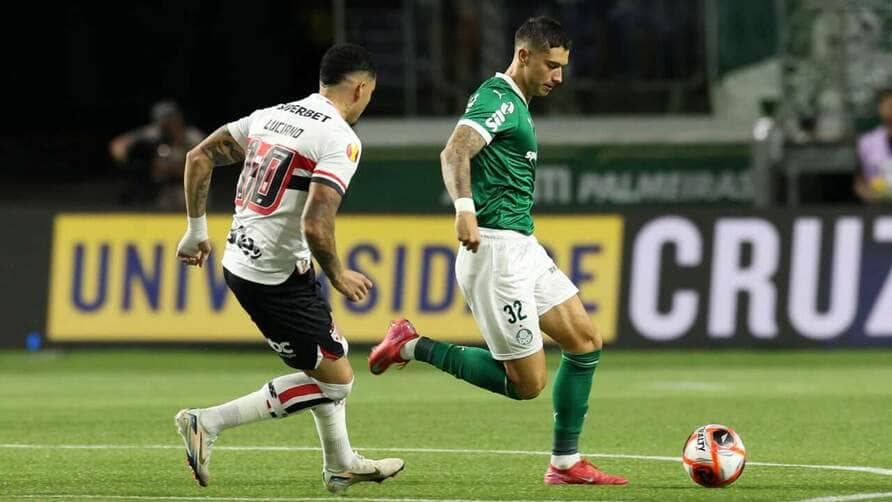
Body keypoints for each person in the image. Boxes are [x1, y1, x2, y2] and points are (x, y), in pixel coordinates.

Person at [369, 17, 628, 486]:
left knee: (585, 341)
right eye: (551, 65)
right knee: (526, 384)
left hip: (522, 245)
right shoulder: (498, 100)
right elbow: (454, 152)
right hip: (494, 252)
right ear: (524, 56)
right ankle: (411, 344)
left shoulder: (519, 104)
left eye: (563, 67)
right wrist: (464, 209)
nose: (558, 77)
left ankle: (565, 464)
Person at [173, 43, 404, 493]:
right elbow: (316, 223)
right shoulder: (339, 138)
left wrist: (195, 230)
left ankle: (341, 465)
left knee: (327, 360)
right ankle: (208, 422)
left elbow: (197, 157)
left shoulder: (270, 115)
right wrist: (338, 273)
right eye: (370, 94)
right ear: (361, 88)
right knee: (337, 384)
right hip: (273, 279)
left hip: (253, 261)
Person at [110, 100, 205, 210]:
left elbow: (202, 169)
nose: (168, 125)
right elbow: (119, 144)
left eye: (171, 120)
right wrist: (127, 162)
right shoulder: (157, 132)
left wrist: (169, 169)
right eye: (164, 122)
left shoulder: (193, 137)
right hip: (164, 190)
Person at [854, 88, 892, 203]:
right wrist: (873, 195)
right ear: (880, 108)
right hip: (876, 209)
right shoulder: (866, 142)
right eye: (889, 105)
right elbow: (859, 182)